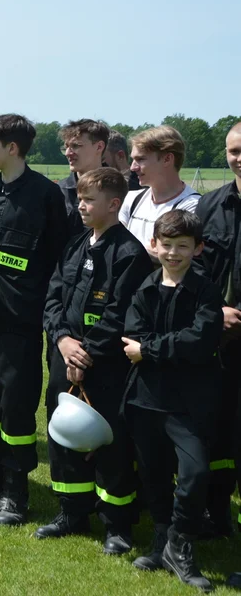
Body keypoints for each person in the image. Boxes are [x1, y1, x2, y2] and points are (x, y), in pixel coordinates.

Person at [0, 114, 68, 525]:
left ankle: (14, 492)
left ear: (13, 149)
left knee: (15, 412)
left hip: (17, 325)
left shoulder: (45, 195)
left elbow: (58, 261)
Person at [38, 168, 153, 554]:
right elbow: (52, 298)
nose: (80, 205)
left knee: (111, 446)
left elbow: (120, 316)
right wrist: (63, 340)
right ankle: (71, 511)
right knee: (64, 436)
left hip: (105, 367)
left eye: (89, 200)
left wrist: (85, 355)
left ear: (114, 204)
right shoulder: (75, 245)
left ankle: (117, 525)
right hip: (64, 358)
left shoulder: (130, 254)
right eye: (80, 198)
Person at [121, 210, 222, 591]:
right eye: (167, 245)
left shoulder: (206, 291)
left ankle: (181, 543)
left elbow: (201, 342)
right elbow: (132, 336)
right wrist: (152, 349)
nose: (174, 253)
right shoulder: (143, 288)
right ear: (154, 245)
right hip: (146, 399)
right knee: (154, 475)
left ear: (198, 249)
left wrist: (150, 350)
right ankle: (161, 539)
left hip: (190, 403)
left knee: (195, 473)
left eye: (183, 246)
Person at [193, 122, 241, 542]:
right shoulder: (209, 206)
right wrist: (215, 312)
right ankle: (217, 513)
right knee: (217, 428)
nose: (238, 158)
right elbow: (193, 271)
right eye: (233, 150)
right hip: (218, 341)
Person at [120, 125, 200, 259]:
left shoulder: (192, 205)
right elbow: (114, 242)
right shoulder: (131, 199)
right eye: (133, 159)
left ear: (167, 159)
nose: (133, 167)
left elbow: (172, 257)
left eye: (140, 159)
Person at [56, 119, 110, 240]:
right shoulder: (58, 191)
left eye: (76, 146)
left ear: (99, 147)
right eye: (66, 147)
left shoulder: (120, 190)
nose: (68, 153)